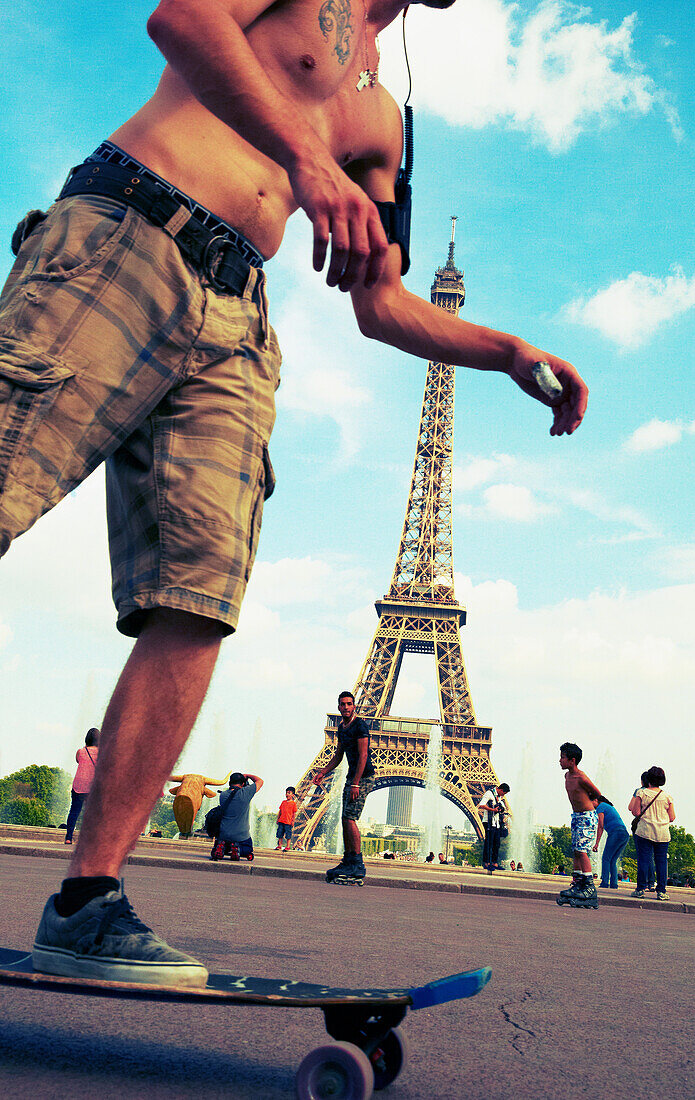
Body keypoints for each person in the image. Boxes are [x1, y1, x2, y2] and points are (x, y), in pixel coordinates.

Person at [3, 0, 588, 988]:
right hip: (134, 228)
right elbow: (180, 19)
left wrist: (505, 351)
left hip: (240, 311)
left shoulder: (388, 120)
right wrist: (310, 164)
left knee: (196, 598)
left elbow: (381, 303)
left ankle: (87, 898)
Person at [313, 691, 375, 883]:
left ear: (354, 706)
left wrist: (356, 782)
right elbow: (339, 756)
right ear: (339, 706)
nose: (346, 707)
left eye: (349, 704)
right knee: (344, 819)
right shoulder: (342, 727)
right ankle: (349, 860)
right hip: (352, 777)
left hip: (362, 777)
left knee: (350, 818)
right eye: (343, 704)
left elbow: (363, 756)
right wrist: (323, 772)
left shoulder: (360, 725)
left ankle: (357, 863)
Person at [558, 743, 602, 909]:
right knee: (576, 851)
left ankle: (589, 887)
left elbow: (596, 792)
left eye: (563, 757)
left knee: (582, 852)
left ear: (572, 760)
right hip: (576, 816)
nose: (560, 760)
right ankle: (578, 883)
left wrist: (589, 802)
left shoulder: (581, 777)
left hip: (586, 817)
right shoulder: (567, 776)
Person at [628, 766, 675, 901]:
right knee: (661, 862)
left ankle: (640, 889)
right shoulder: (667, 797)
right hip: (662, 833)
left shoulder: (642, 794)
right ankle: (661, 891)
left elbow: (636, 812)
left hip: (645, 831)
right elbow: (672, 817)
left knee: (644, 860)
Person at [211, 771, 263, 862]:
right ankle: (238, 849)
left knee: (224, 841)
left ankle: (222, 847)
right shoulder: (246, 793)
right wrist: (247, 776)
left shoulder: (222, 795)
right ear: (243, 783)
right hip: (241, 835)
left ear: (230, 783)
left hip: (224, 833)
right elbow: (260, 781)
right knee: (248, 849)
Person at [64, 729, 100, 845]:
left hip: (78, 785)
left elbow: (78, 761)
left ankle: (68, 838)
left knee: (74, 811)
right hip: (92, 787)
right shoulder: (101, 753)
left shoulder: (80, 751)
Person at [592, 796, 629, 890]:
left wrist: (596, 843)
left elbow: (601, 825)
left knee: (605, 858)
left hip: (616, 833)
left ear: (596, 800)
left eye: (591, 802)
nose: (590, 805)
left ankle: (604, 882)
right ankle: (614, 884)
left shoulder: (601, 806)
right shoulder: (609, 806)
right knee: (612, 860)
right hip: (624, 834)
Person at [477, 783, 510, 873]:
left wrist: (500, 809)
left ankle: (494, 863)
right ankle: (487, 863)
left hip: (496, 823)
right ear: (501, 789)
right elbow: (481, 805)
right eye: (504, 793)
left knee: (496, 843)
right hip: (488, 822)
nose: (504, 795)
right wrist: (493, 810)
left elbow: (501, 808)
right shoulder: (489, 793)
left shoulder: (499, 797)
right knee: (489, 843)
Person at [631, 772, 656, 891]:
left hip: (641, 826)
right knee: (651, 856)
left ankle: (643, 884)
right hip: (655, 827)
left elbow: (631, 808)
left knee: (642, 855)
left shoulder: (639, 791)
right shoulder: (658, 792)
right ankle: (652, 882)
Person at [275, 786, 298, 851]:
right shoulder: (283, 802)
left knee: (288, 834)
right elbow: (280, 811)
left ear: (293, 795)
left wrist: (293, 821)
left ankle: (288, 846)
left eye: (289, 793)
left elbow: (294, 813)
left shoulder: (293, 803)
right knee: (280, 834)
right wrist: (278, 819)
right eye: (286, 793)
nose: (287, 794)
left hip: (288, 822)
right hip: (281, 821)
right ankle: (279, 845)